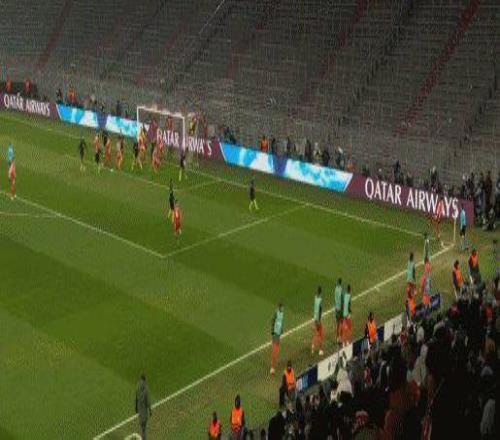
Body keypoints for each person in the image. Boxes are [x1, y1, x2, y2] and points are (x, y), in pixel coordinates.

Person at [135, 374, 152, 440]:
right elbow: (148, 401)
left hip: (140, 410)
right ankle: (144, 438)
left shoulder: (137, 386)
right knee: (144, 428)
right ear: (145, 380)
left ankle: (143, 437)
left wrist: (136, 408)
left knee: (142, 427)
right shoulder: (146, 388)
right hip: (144, 411)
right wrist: (150, 410)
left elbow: (136, 398)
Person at [270, 303, 284, 375]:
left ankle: (274, 366)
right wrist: (272, 331)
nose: (283, 309)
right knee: (274, 351)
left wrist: (281, 329)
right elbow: (272, 321)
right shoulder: (276, 313)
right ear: (279, 307)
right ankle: (272, 368)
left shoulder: (282, 313)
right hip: (275, 333)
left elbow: (280, 322)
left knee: (276, 351)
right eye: (282, 307)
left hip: (278, 334)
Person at [311, 286, 324, 356]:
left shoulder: (315, 298)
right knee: (321, 335)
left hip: (315, 318)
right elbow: (320, 310)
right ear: (321, 292)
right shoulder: (320, 300)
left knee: (315, 334)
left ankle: (313, 347)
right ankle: (321, 350)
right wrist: (319, 320)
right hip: (318, 320)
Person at [406, 252, 416, 320]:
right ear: (413, 257)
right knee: (412, 287)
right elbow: (413, 271)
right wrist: (414, 278)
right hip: (411, 277)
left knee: (409, 287)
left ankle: (410, 295)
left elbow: (409, 270)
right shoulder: (413, 263)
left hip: (408, 277)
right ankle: (412, 294)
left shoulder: (408, 262)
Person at [334, 278, 343, 343]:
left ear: (337, 282)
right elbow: (342, 300)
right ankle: (340, 338)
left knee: (337, 324)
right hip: (340, 309)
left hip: (336, 309)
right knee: (341, 323)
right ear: (341, 282)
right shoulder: (341, 290)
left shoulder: (335, 289)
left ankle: (337, 337)